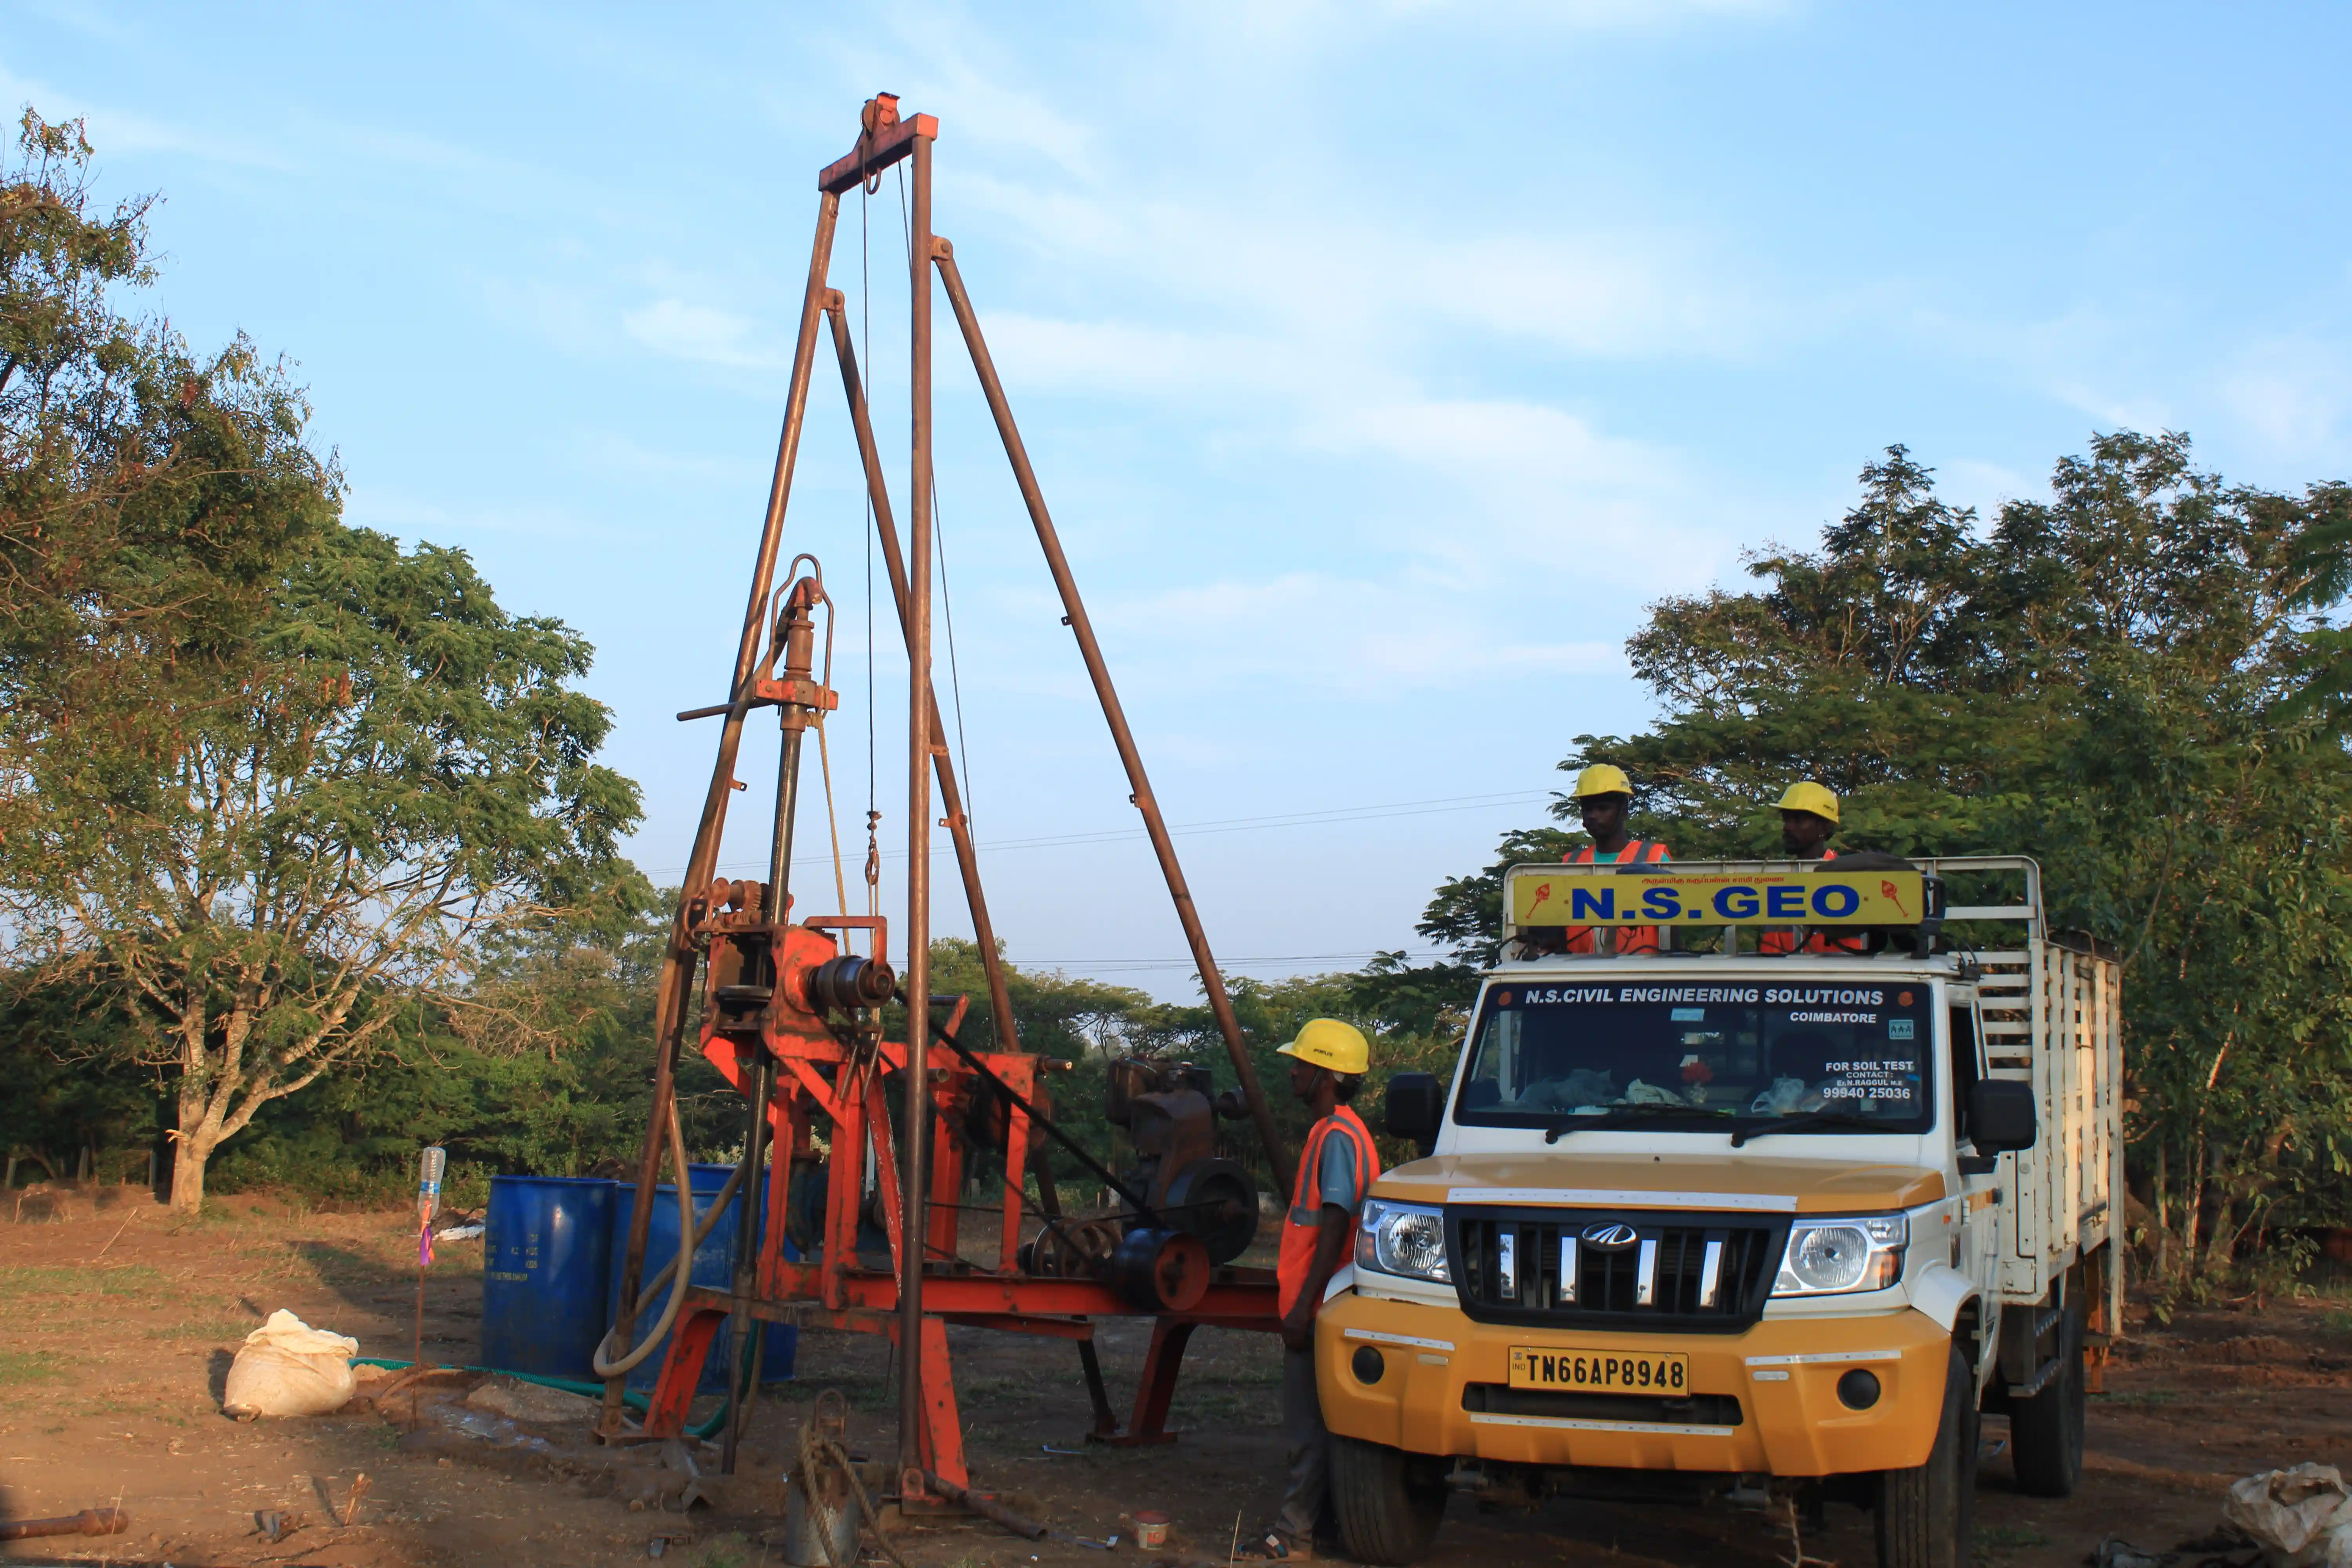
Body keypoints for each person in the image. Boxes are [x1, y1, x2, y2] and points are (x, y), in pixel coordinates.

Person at [1242, 1018, 1382, 1562]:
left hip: (1322, 1304)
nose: (1293, 1072)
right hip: (1332, 1299)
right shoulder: (1341, 1132)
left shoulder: (1339, 1137)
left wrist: (1305, 1305)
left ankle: (1291, 1534)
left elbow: (1334, 1220)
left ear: (1326, 1074)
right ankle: (1324, 1527)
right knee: (1327, 1421)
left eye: (1301, 1064)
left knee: (1306, 1425)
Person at [1560, 764, 1670, 955]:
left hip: (1643, 977)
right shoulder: (1570, 864)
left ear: (1624, 810)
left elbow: (1674, 930)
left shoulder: (1655, 858)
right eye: (1587, 809)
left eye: (1603, 808)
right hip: (1579, 977)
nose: (1593, 816)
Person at [1762, 781, 1863, 955]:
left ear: (1824, 827)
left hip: (1839, 978)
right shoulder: (1778, 879)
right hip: (1777, 978)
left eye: (1799, 820)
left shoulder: (1847, 877)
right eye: (1786, 819)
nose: (1788, 827)